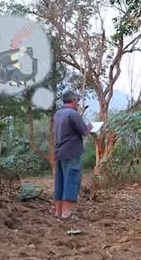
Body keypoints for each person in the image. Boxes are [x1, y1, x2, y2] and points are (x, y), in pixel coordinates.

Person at [53, 91, 93, 220]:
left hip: (59, 152)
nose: (78, 104)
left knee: (60, 182)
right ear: (74, 101)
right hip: (71, 152)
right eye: (77, 102)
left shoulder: (58, 114)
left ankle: (58, 212)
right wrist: (90, 127)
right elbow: (84, 131)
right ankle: (66, 213)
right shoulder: (73, 114)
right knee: (71, 181)